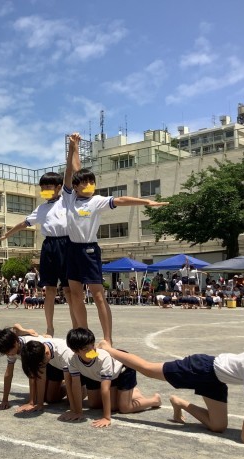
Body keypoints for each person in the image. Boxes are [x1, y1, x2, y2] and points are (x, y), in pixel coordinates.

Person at [97, 321, 244, 446]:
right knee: (149, 369)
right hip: (201, 368)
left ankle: (179, 403)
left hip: (216, 380)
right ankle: (109, 349)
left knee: (218, 426)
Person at [63, 133, 167, 345]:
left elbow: (120, 200)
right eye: (85, 182)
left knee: (98, 295)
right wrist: (73, 147)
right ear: (76, 186)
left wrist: (145, 202)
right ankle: (83, 336)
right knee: (75, 295)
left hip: (89, 250)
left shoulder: (97, 201)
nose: (89, 184)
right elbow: (73, 170)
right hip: (71, 249)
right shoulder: (70, 197)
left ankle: (107, 339)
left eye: (92, 181)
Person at [0, 171, 75, 336]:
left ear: (58, 187)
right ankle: (49, 328)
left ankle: (77, 327)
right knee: (50, 289)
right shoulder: (41, 208)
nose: (45, 190)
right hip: (49, 246)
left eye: (48, 186)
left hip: (67, 245)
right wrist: (8, 234)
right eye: (43, 187)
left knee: (69, 290)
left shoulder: (67, 200)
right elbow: (24, 223)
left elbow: (71, 175)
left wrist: (71, 156)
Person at [63, 328, 161, 427]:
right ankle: (130, 393)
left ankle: (154, 400)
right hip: (97, 375)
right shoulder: (72, 359)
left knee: (124, 408)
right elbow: (76, 385)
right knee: (93, 404)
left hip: (122, 371)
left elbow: (105, 389)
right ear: (75, 351)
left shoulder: (103, 358)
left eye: (93, 345)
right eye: (86, 349)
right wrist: (78, 411)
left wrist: (106, 417)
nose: (92, 350)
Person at [0, 325, 44, 410]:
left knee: (49, 397)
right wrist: (5, 400)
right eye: (6, 352)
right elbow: (8, 374)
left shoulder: (28, 346)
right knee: (44, 394)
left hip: (51, 363)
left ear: (16, 341)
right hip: (41, 364)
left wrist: (31, 402)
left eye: (9, 350)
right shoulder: (11, 349)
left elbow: (32, 374)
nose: (9, 354)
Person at [19, 337, 78, 413]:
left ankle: (84, 387)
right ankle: (62, 383)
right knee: (50, 398)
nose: (41, 366)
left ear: (46, 354)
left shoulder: (64, 354)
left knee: (74, 400)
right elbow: (40, 378)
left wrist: (73, 411)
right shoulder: (40, 351)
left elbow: (68, 382)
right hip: (55, 366)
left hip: (75, 368)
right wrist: (39, 404)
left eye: (41, 364)